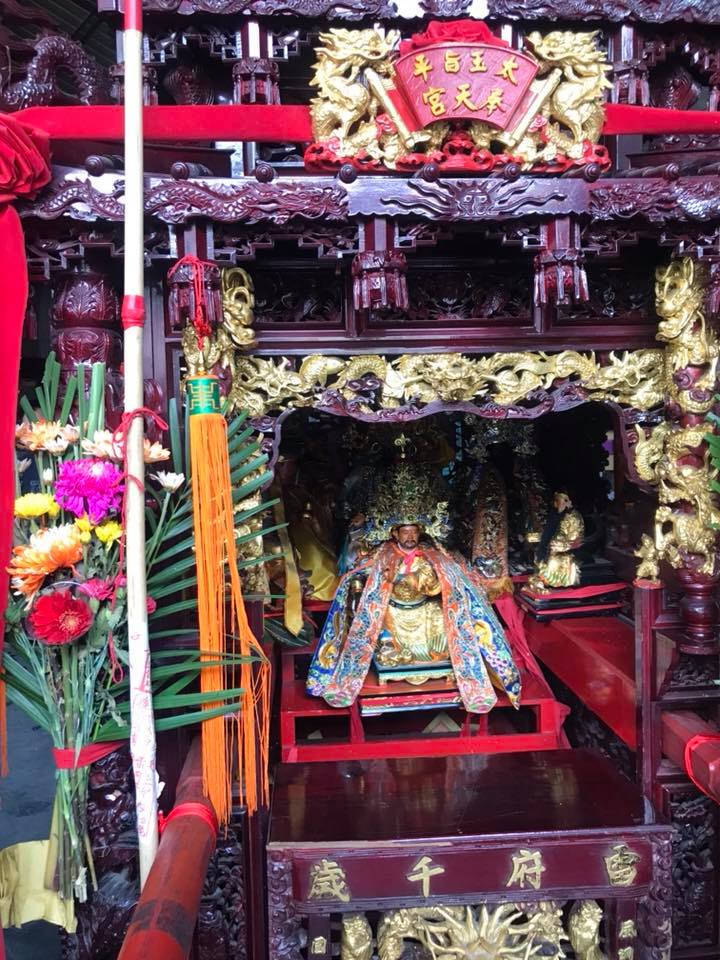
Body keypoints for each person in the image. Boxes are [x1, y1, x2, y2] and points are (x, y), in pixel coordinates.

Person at [307, 458, 522, 713]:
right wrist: (366, 585)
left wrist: (429, 580)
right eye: (405, 533)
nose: (410, 537)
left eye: (414, 532)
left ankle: (441, 663)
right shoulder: (382, 554)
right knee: (375, 623)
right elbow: (358, 576)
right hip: (392, 610)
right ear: (394, 533)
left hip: (423, 608)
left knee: (446, 622)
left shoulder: (432, 554)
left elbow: (446, 585)